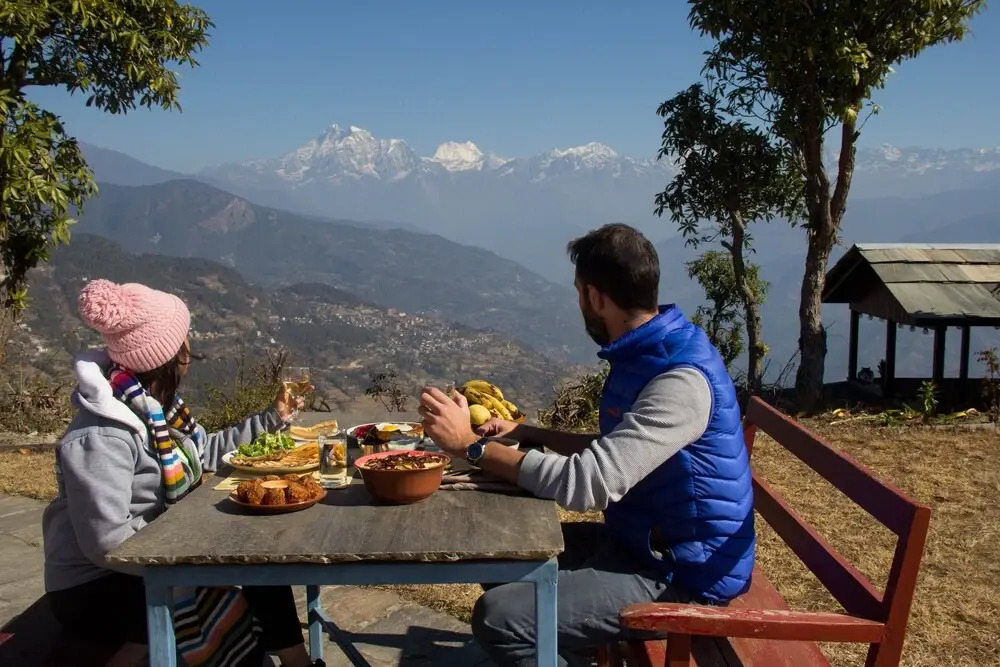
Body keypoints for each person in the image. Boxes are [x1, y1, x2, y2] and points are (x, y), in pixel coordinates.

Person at [420, 223, 755, 667]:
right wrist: (528, 434)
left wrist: (469, 446)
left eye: (579, 293)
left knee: (500, 618)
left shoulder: (680, 381)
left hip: (684, 574)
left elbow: (589, 484)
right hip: (644, 544)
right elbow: (619, 449)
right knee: (499, 553)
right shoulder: (649, 353)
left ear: (595, 297)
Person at [42, 279, 323, 667]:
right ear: (172, 356)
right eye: (184, 337)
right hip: (95, 585)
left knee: (254, 558)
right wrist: (188, 556)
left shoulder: (158, 410)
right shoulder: (102, 435)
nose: (190, 344)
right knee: (222, 600)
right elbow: (107, 543)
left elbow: (204, 452)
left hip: (146, 556)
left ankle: (295, 661)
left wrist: (273, 418)